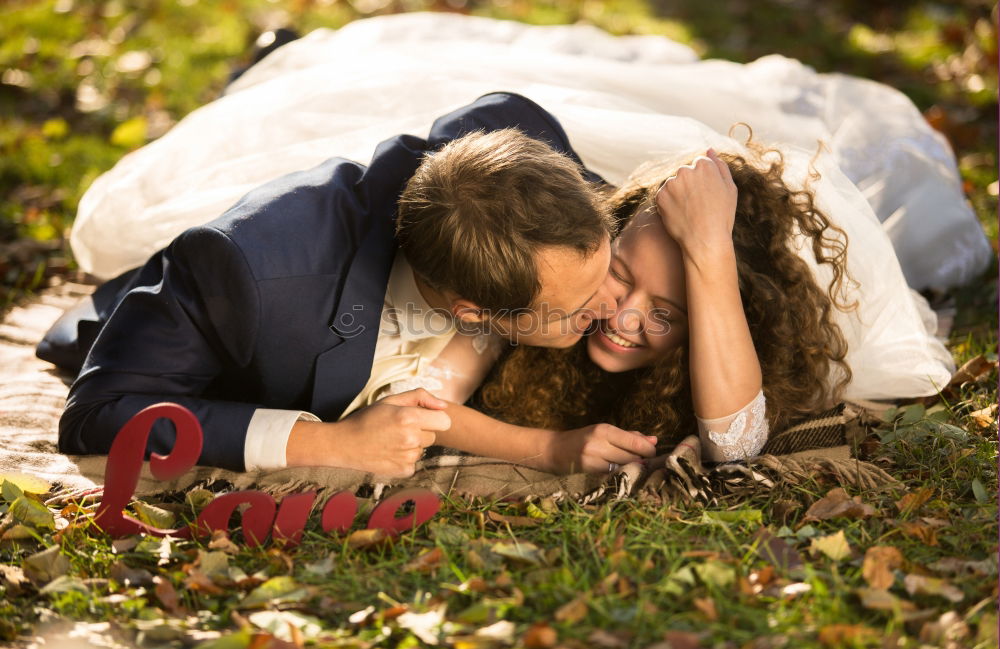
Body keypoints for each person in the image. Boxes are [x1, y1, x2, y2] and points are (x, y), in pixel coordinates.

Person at [41, 92, 631, 477]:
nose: (611, 302)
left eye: (609, 265)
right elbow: (98, 413)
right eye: (579, 308)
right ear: (473, 313)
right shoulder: (247, 274)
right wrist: (331, 445)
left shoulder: (518, 150)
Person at [443, 145, 856, 472]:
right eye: (619, 275)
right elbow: (422, 403)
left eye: (667, 312)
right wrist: (550, 449)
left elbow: (736, 448)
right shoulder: (548, 275)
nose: (623, 317)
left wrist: (709, 252)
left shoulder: (720, 342)